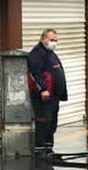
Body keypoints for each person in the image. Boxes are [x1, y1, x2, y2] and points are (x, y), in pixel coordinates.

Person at [27, 28, 68, 157]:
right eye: (51, 40)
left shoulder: (50, 53)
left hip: (54, 96)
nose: (54, 42)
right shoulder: (37, 54)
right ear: (43, 39)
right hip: (44, 97)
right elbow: (35, 74)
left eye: (56, 40)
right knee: (43, 122)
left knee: (51, 123)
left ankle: (48, 148)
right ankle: (40, 150)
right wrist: (43, 89)